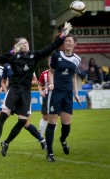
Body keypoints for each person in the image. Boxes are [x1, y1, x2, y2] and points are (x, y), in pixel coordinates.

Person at [0, 22, 72, 157]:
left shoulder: (34, 56)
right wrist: (14, 50)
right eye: (22, 43)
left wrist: (62, 36)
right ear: (18, 46)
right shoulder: (14, 57)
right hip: (14, 90)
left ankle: (6, 142)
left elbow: (50, 47)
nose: (25, 44)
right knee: (3, 115)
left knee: (23, 120)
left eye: (26, 43)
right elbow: (2, 58)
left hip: (25, 92)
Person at [45, 34, 81, 162]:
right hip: (56, 93)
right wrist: (51, 83)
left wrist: (76, 94)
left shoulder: (77, 59)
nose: (68, 43)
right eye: (66, 41)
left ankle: (63, 140)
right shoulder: (57, 55)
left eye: (70, 41)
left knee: (66, 125)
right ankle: (50, 153)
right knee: (52, 123)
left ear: (75, 44)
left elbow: (73, 77)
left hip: (68, 94)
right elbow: (51, 71)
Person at [37, 56, 51, 137]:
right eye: (49, 61)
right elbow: (39, 84)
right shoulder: (44, 73)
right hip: (47, 96)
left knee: (54, 117)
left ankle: (50, 136)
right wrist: (40, 91)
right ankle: (41, 135)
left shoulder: (59, 73)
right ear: (48, 63)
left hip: (57, 97)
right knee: (45, 116)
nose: (51, 63)